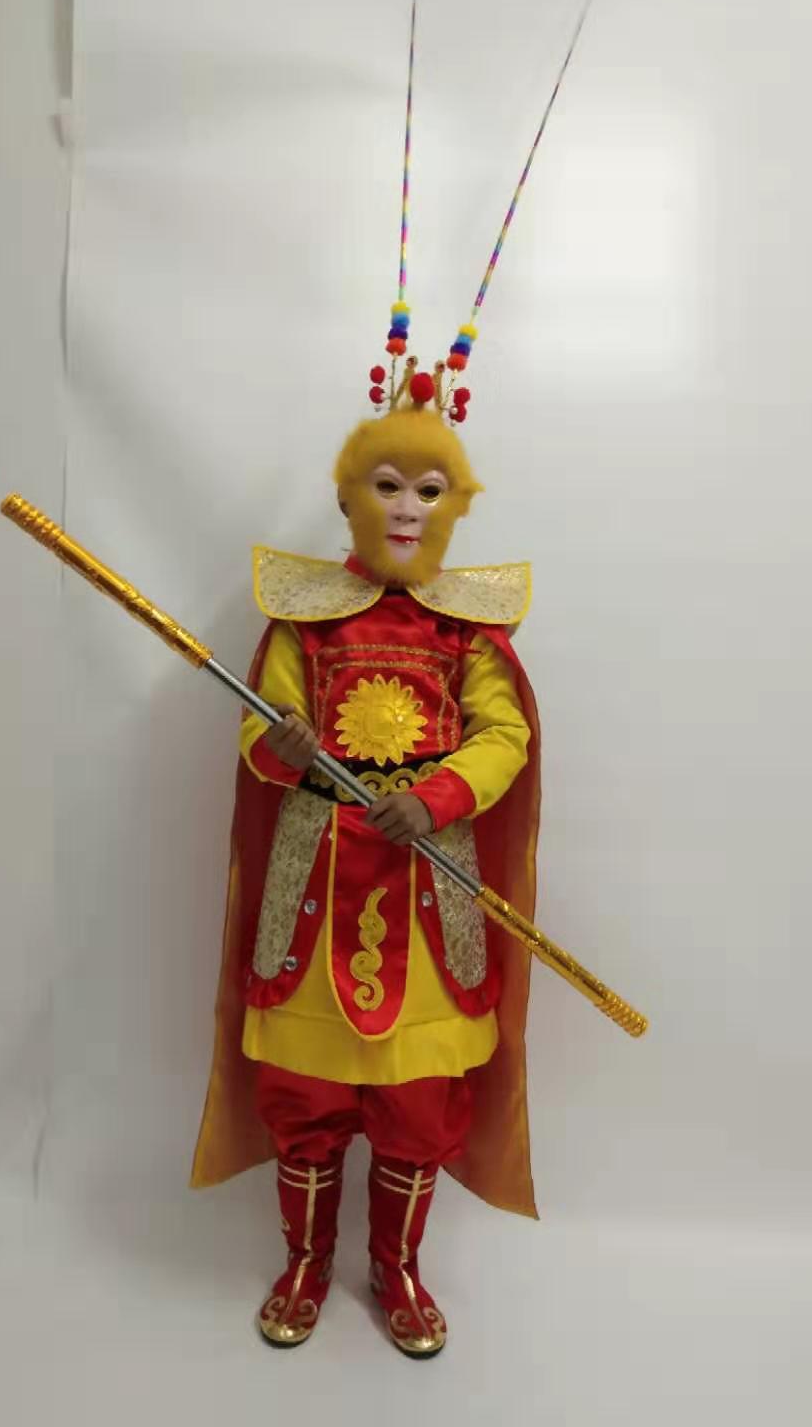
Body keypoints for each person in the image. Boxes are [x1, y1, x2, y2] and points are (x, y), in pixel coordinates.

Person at [191, 359, 543, 1357]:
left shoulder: (467, 631)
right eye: (387, 484)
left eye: (429, 489)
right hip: (315, 876)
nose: (406, 506)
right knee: (304, 1096)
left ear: (455, 507)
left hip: (428, 882)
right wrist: (284, 744)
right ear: (349, 498)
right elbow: (258, 730)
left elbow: (503, 735)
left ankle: (396, 1268)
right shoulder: (303, 621)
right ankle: (305, 1262)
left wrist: (436, 798)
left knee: (417, 1099)